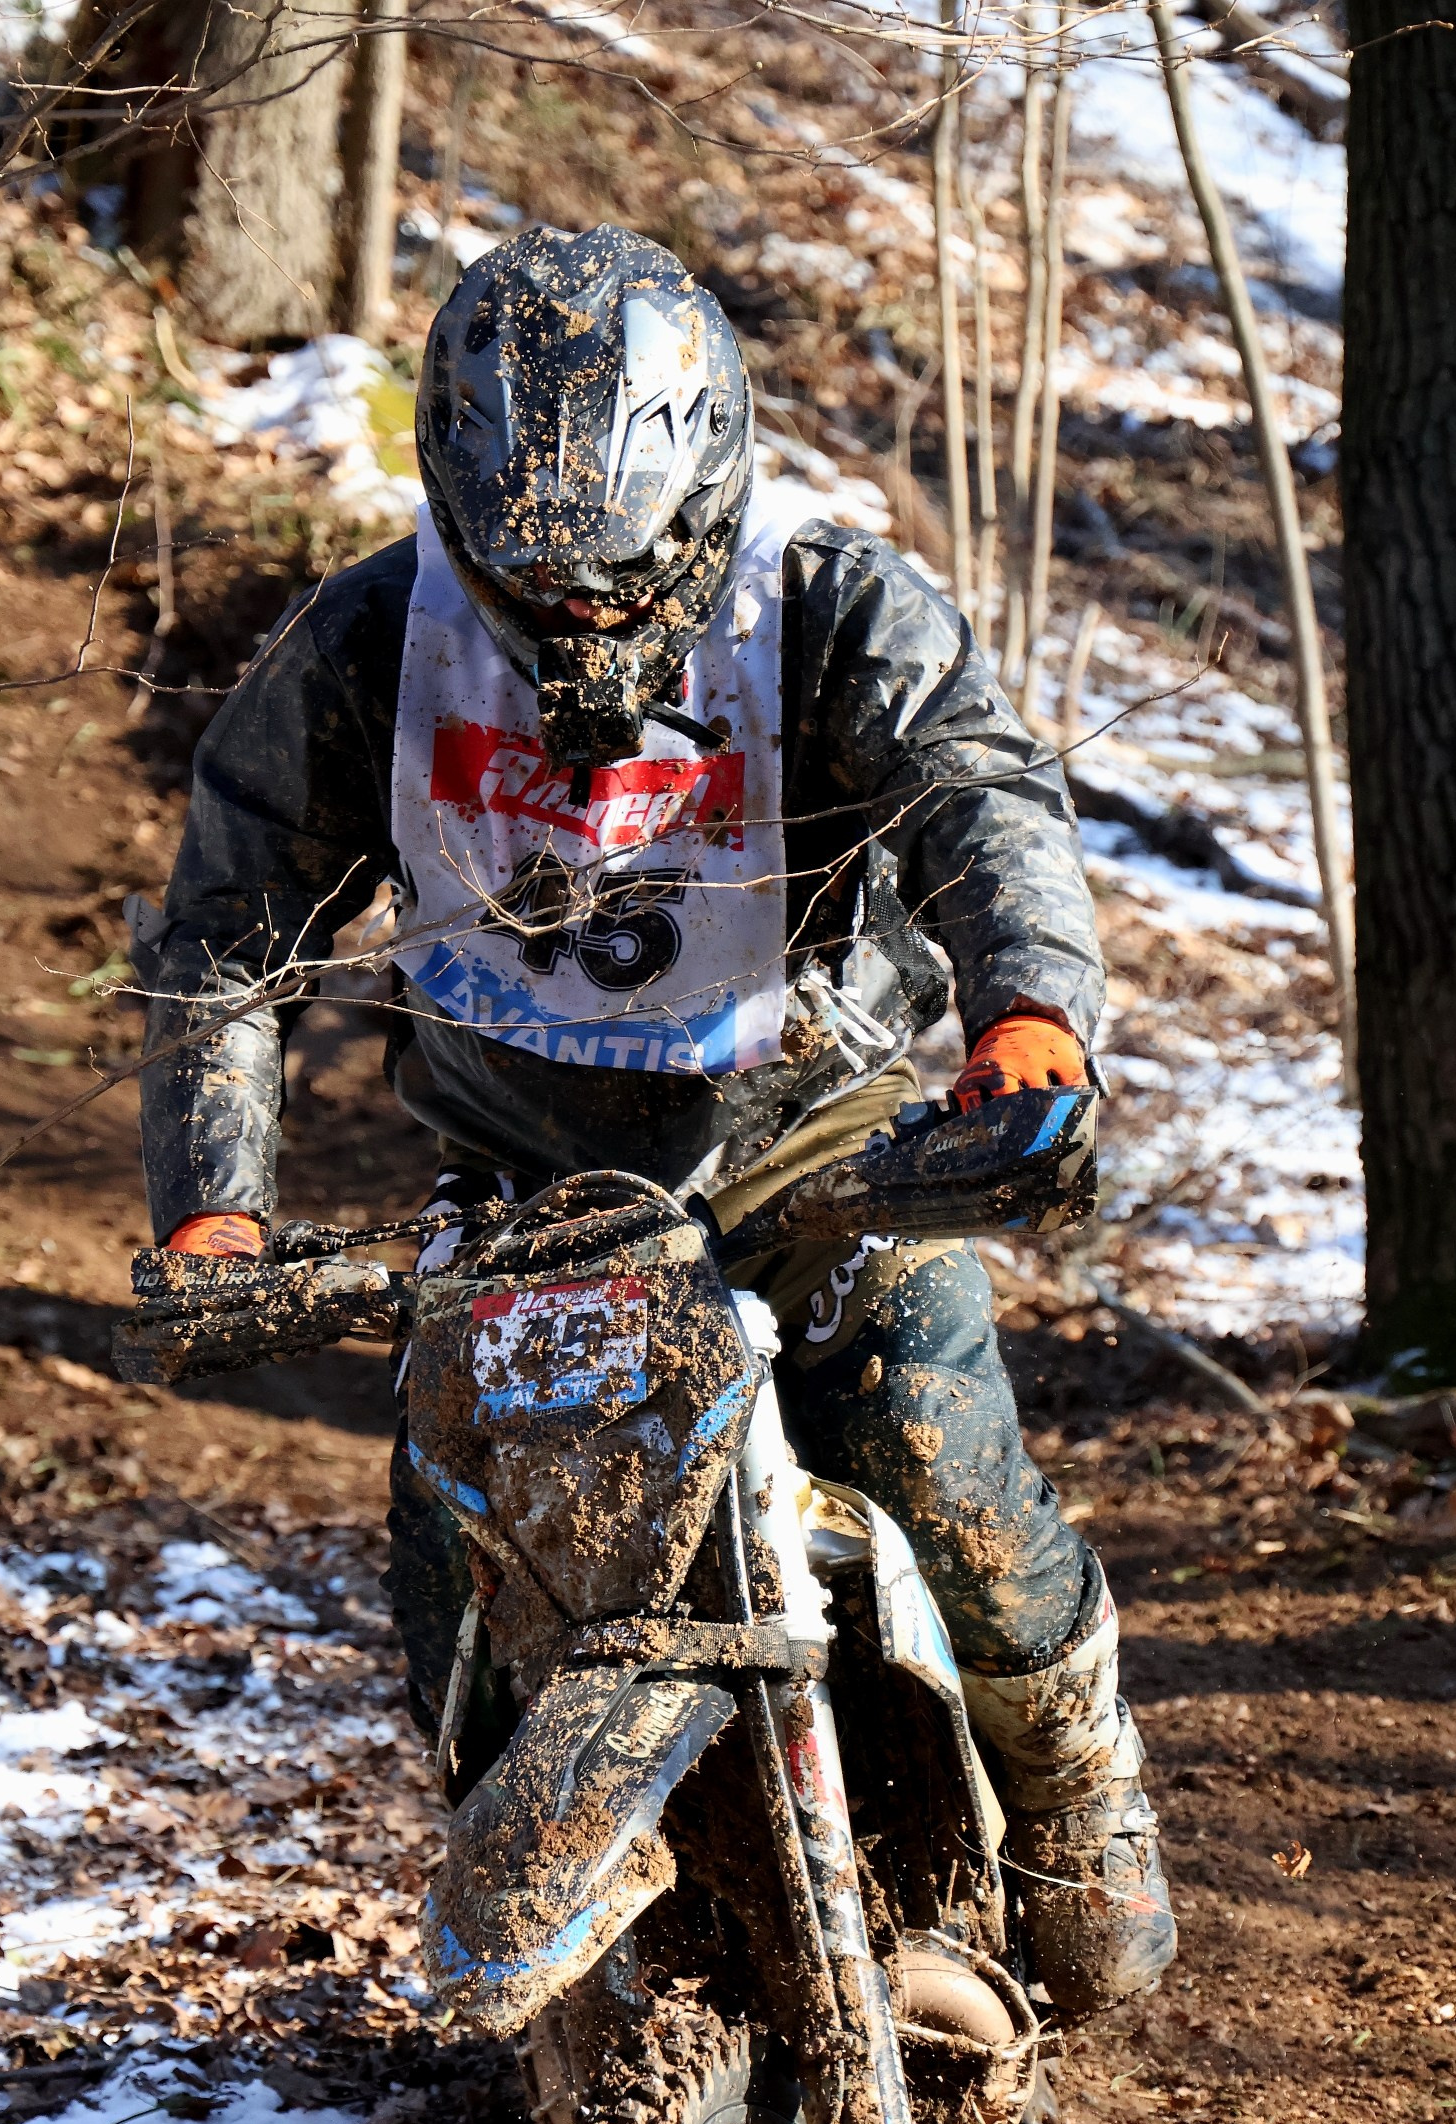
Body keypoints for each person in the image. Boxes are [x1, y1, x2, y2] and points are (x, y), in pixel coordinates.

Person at [135, 223, 1174, 2022]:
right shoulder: (376, 641)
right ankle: (584, 1895)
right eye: (542, 593)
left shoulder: (835, 609)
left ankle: (1083, 1804)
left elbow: (982, 803)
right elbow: (228, 924)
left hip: (821, 1149)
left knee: (944, 1463)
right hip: (526, 1190)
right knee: (462, 1569)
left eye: (625, 583)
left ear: (710, 483)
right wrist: (216, 1207)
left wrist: (1026, 1019)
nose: (586, 625)